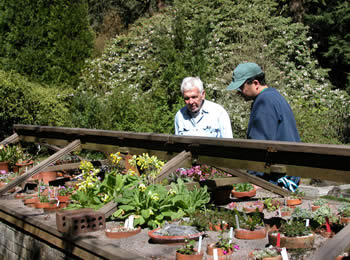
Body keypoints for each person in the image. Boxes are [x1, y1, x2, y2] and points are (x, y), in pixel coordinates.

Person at [227, 62, 300, 191]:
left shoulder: (264, 101)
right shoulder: (274, 96)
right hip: (290, 171)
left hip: (277, 177)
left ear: (255, 83)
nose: (239, 92)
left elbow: (260, 143)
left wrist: (253, 179)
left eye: (241, 87)